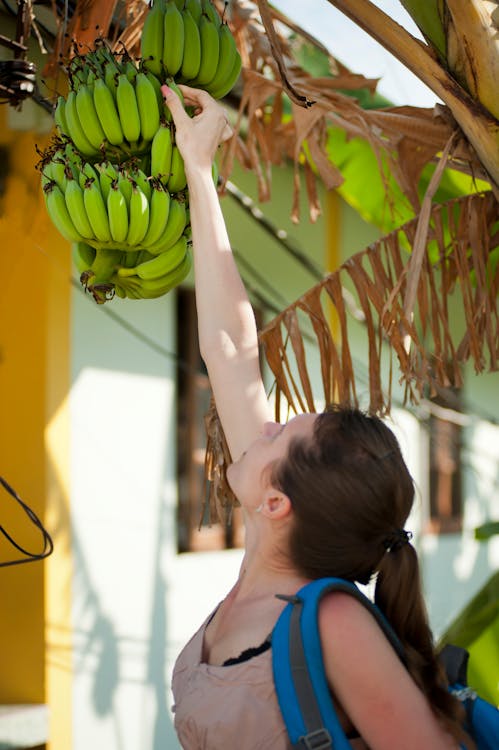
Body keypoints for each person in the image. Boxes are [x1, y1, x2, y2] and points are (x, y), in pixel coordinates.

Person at [161, 83, 472, 750]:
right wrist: (198, 168)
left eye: (277, 434)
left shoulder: (332, 623)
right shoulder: (265, 547)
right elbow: (231, 351)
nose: (263, 424)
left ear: (277, 502)